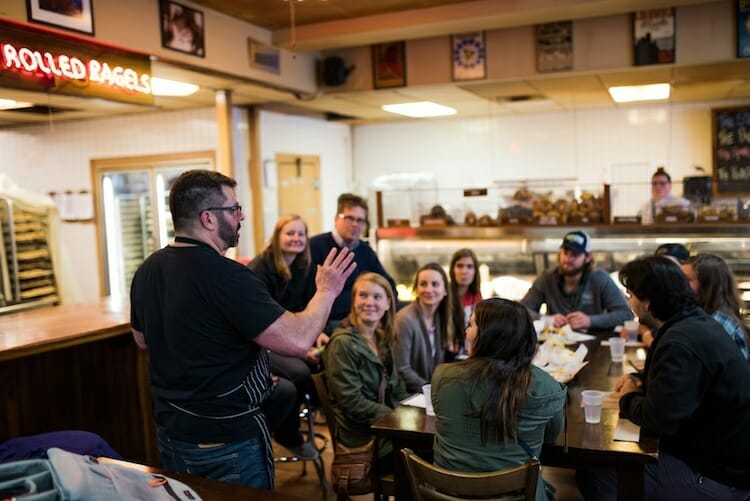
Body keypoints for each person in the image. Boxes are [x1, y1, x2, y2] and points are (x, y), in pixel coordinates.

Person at [129, 170, 355, 489]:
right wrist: (327, 290)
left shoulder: (147, 270)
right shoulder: (228, 277)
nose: (241, 216)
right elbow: (298, 339)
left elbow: (142, 340)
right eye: (234, 209)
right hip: (228, 441)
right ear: (208, 218)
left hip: (172, 435)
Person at [578, 255, 750, 500]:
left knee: (595, 474)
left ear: (647, 302)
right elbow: (678, 383)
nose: (629, 301)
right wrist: (639, 380)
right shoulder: (693, 322)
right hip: (722, 459)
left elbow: (657, 419)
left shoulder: (681, 342)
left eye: (631, 294)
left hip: (719, 477)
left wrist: (627, 398)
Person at [432, 298, 567, 501]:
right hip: (516, 495)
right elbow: (551, 438)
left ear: (488, 336)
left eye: (471, 325)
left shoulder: (443, 376)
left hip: (448, 494)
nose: (466, 332)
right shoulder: (545, 386)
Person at [249, 214, 323, 460]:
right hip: (262, 342)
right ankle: (287, 432)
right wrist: (301, 349)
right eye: (290, 233)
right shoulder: (262, 267)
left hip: (290, 336)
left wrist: (317, 334)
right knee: (301, 372)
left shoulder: (304, 266)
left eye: (301, 234)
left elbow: (306, 308)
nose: (296, 238)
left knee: (327, 359)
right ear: (277, 236)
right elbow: (266, 322)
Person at [323, 272, 409, 471]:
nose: (369, 302)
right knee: (427, 451)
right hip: (363, 438)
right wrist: (398, 418)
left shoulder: (381, 339)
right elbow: (353, 403)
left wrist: (415, 414)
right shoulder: (342, 344)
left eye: (377, 297)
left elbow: (397, 389)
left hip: (385, 427)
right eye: (363, 295)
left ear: (388, 304)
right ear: (353, 301)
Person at [309, 193, 397, 333]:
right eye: (349, 218)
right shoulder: (314, 247)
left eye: (360, 220)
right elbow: (303, 294)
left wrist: (383, 317)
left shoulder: (365, 251)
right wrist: (316, 330)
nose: (355, 224)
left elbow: (389, 286)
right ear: (336, 219)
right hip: (325, 324)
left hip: (360, 322)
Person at [520, 230, 633, 331]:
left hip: (593, 345)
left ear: (588, 257)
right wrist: (546, 319)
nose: (568, 259)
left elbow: (625, 315)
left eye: (575, 254)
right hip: (554, 346)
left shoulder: (599, 278)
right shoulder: (546, 278)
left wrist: (590, 321)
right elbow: (521, 311)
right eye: (565, 252)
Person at [394, 262, 454, 393]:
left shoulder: (440, 317)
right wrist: (432, 390)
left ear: (445, 291)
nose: (428, 289)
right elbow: (402, 369)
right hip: (408, 395)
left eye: (435, 284)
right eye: (423, 284)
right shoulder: (404, 320)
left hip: (427, 393)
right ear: (416, 289)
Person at [682, 253, 749, 360]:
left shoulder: (717, 324)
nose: (681, 285)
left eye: (688, 280)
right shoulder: (708, 319)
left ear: (708, 285)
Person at [449, 248, 482, 357]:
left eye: (469, 266)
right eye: (460, 266)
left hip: (471, 355)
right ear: (452, 270)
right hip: (448, 355)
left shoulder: (477, 296)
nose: (464, 271)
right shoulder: (444, 295)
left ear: (475, 271)